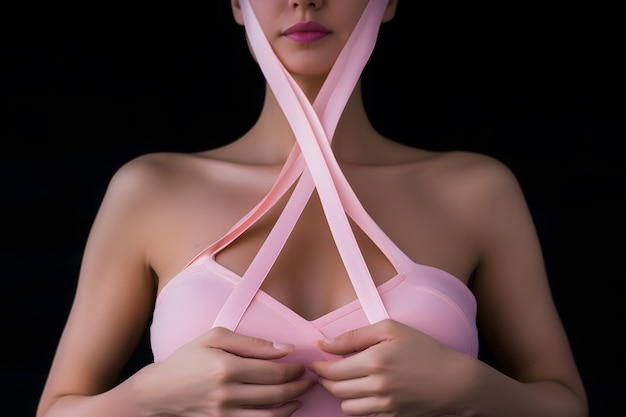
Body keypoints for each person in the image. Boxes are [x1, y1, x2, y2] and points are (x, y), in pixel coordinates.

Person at [36, 1, 588, 416]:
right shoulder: (151, 190)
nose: (305, 0)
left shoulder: (473, 191)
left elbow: (566, 403)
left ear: (388, 1)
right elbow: (57, 408)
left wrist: (471, 389)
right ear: (236, 4)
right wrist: (151, 395)